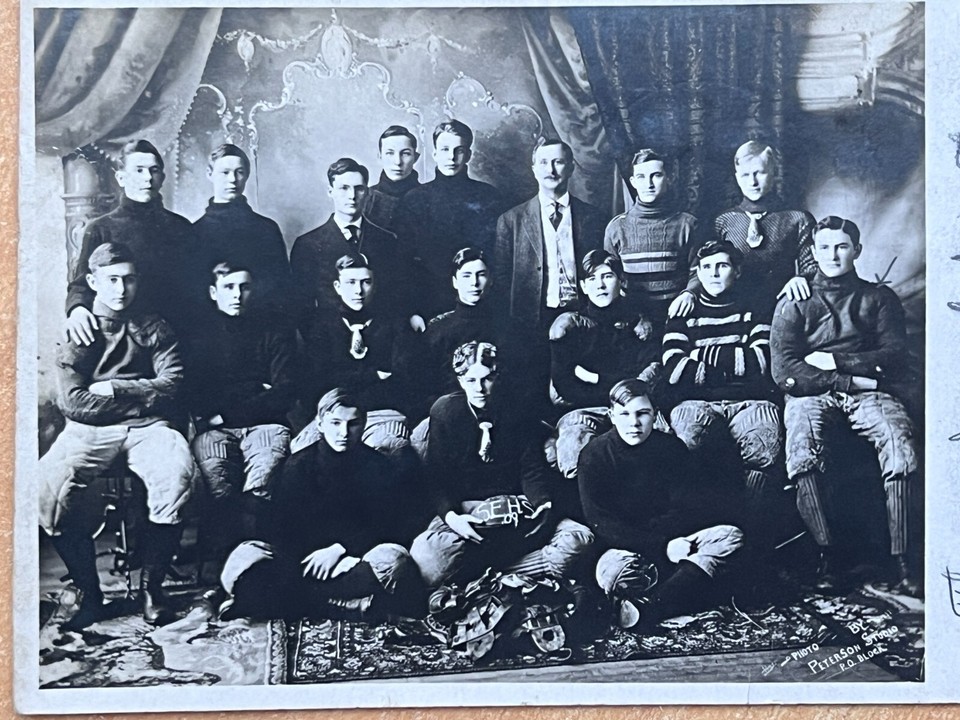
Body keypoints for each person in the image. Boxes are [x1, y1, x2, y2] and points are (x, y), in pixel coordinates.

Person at [39, 243, 194, 629]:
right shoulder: (82, 329)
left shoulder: (155, 327)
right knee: (46, 488)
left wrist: (119, 390)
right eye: (111, 280)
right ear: (92, 282)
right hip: (90, 429)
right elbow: (74, 402)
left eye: (128, 279)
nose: (121, 289)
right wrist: (144, 395)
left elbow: (173, 384)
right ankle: (91, 595)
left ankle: (152, 590)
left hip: (149, 428)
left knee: (176, 475)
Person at [771, 216, 920, 594]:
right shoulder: (796, 299)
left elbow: (896, 353)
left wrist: (838, 361)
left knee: (898, 440)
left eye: (841, 246)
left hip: (871, 393)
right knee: (801, 447)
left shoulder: (878, 298)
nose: (832, 254)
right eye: (824, 247)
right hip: (813, 392)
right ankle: (828, 555)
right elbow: (785, 368)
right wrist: (847, 380)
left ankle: (903, 559)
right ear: (813, 252)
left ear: (857, 250)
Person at [219, 389, 425, 622]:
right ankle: (335, 604)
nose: (343, 433)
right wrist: (308, 558)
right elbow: (283, 528)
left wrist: (339, 550)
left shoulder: (377, 466)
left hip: (352, 558)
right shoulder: (298, 465)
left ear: (364, 423)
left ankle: (300, 602)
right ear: (320, 423)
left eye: (353, 424)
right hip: (305, 562)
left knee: (394, 561)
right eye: (335, 423)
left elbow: (387, 525)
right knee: (244, 559)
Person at [409, 341, 594, 589]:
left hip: (514, 507)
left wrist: (543, 505)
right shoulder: (445, 412)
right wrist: (453, 518)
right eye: (471, 380)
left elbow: (531, 468)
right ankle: (515, 572)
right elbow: (438, 479)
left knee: (580, 540)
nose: (480, 389)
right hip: (466, 510)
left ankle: (487, 574)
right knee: (428, 558)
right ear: (460, 380)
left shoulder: (517, 409)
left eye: (487, 379)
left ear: (497, 376)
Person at [578, 379, 745, 629]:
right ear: (612, 416)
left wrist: (673, 543)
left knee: (730, 537)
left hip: (678, 542)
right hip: (627, 548)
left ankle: (652, 607)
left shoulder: (671, 448)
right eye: (624, 414)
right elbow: (603, 523)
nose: (634, 423)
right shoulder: (594, 455)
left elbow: (686, 507)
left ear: (654, 415)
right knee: (613, 575)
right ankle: (686, 587)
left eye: (642, 413)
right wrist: (661, 547)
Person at [185, 261, 297, 580]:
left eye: (244, 287)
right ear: (213, 292)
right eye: (229, 288)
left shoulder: (275, 330)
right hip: (215, 430)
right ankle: (220, 567)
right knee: (219, 484)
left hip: (267, 426)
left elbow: (285, 390)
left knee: (261, 484)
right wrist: (255, 389)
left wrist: (229, 407)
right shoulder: (198, 337)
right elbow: (196, 394)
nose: (238, 295)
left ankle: (258, 567)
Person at [662, 240, 782, 504]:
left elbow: (761, 361)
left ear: (737, 271)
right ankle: (701, 526)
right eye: (706, 267)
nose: (713, 273)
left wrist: (698, 356)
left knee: (765, 451)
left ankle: (753, 533)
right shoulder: (683, 312)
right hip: (695, 402)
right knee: (685, 446)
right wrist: (734, 357)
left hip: (751, 401)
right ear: (699, 272)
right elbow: (673, 369)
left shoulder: (757, 307)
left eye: (722, 266)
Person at [669, 140, 817, 320]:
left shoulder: (798, 218)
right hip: (734, 314)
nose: (753, 182)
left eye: (759, 173)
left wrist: (801, 278)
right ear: (737, 177)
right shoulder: (722, 221)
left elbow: (813, 266)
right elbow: (702, 265)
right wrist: (689, 293)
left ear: (773, 173)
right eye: (746, 175)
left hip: (782, 310)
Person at [66, 139, 194, 345]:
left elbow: (196, 287)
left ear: (162, 178)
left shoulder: (182, 228)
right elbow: (81, 284)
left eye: (154, 171)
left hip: (178, 335)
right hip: (125, 341)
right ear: (121, 178)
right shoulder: (100, 228)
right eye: (139, 170)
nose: (147, 178)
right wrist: (77, 310)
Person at [398, 120, 507, 320]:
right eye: (445, 149)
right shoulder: (415, 199)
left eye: (459, 150)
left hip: (480, 301)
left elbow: (499, 258)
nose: (451, 157)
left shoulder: (490, 197)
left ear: (468, 155)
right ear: (435, 154)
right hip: (429, 302)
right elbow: (406, 263)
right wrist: (414, 311)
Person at [494, 137, 607, 332]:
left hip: (583, 314)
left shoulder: (594, 217)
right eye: (544, 162)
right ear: (534, 169)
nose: (551, 170)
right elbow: (502, 278)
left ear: (571, 168)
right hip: (531, 319)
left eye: (558, 162)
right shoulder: (511, 220)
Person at [290, 158, 414, 332]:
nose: (352, 196)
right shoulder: (308, 245)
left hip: (379, 340)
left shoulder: (387, 241)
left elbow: (395, 297)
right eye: (344, 188)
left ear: (368, 192)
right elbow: (302, 305)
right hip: (329, 343)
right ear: (330, 191)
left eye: (359, 189)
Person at [302, 253, 420, 421]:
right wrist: (375, 375)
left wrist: (347, 380)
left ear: (375, 285)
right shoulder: (321, 326)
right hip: (333, 415)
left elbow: (403, 378)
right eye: (351, 283)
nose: (358, 291)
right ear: (337, 286)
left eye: (366, 282)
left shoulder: (394, 324)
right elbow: (318, 380)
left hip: (383, 413)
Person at [549, 250, 660, 410]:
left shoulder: (639, 323)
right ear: (584, 286)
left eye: (607, 276)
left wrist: (593, 378)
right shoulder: (571, 326)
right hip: (586, 410)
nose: (600, 285)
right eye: (592, 278)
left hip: (633, 409)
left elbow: (642, 380)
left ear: (621, 280)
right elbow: (565, 387)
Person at [191, 144, 291, 317]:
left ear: (246, 176)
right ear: (210, 174)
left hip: (263, 330)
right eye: (225, 172)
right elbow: (194, 294)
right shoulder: (195, 232)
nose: (232, 179)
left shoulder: (266, 229)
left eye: (239, 172)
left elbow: (282, 289)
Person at [603, 148, 700, 321]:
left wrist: (690, 293)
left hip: (676, 317)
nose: (648, 184)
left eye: (656, 175)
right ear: (632, 181)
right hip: (633, 321)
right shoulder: (617, 227)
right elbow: (610, 278)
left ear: (669, 178)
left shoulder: (687, 224)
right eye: (641, 177)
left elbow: (698, 271)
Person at [423, 247, 521, 404]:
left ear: (491, 279)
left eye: (481, 275)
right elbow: (428, 385)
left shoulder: (508, 327)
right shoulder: (438, 329)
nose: (474, 283)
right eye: (466, 276)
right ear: (455, 282)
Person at [366, 125, 422, 233]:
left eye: (405, 153)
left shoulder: (429, 198)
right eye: (390, 153)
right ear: (380, 156)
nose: (398, 162)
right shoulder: (365, 198)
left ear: (416, 157)